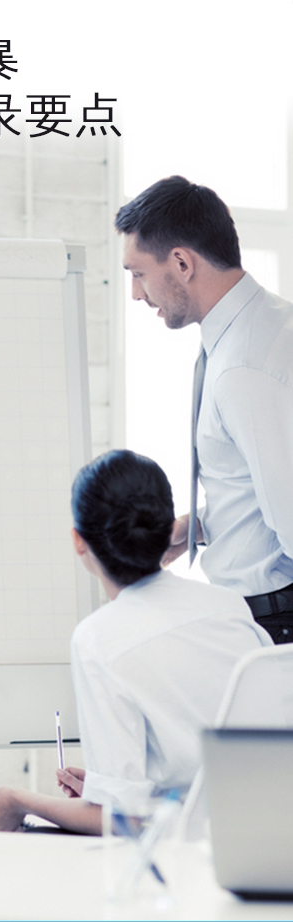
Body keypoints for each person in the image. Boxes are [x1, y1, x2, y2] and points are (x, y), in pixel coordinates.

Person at [0, 450, 271, 834]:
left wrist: (18, 801)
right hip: (269, 830)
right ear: (168, 528)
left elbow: (125, 819)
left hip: (185, 852)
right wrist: (103, 787)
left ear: (79, 541)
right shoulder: (227, 604)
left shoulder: (98, 639)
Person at [115, 176, 293, 644]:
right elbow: (265, 482)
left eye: (138, 273)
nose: (136, 294)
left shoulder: (243, 366)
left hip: (273, 620)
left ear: (181, 262)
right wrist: (202, 525)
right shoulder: (267, 325)